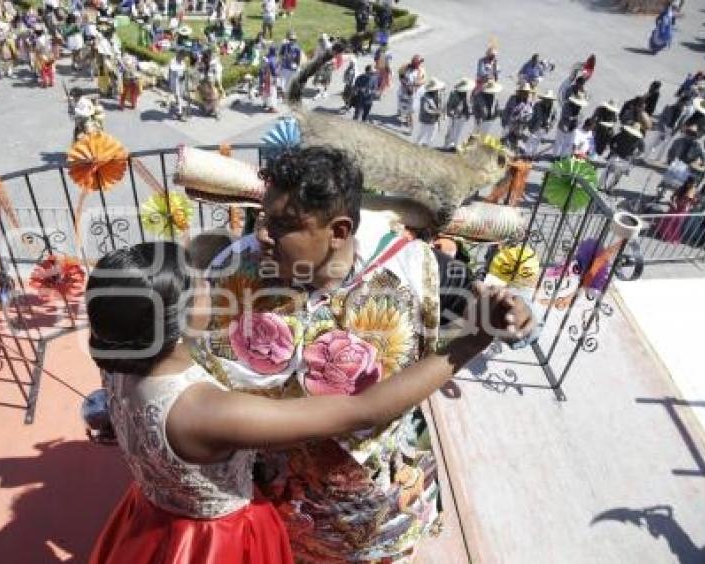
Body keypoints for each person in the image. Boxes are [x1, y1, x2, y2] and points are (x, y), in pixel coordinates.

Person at [86, 237, 523, 563]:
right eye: (199, 283)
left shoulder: (118, 361)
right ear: (178, 317)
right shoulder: (207, 412)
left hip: (148, 524)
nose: (210, 284)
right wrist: (467, 344)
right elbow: (360, 411)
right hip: (217, 542)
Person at [200, 146, 534, 562]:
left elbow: (493, 311)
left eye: (284, 224)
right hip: (269, 501)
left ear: (338, 231)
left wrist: (514, 315)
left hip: (371, 508)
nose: (263, 234)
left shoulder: (420, 272)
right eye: (264, 217)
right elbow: (197, 366)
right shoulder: (237, 264)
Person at [646, 96, 689, 161]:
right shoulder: (669, 107)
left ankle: (658, 159)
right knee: (654, 142)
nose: (683, 106)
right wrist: (662, 126)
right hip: (664, 127)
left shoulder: (684, 112)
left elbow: (681, 123)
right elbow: (662, 117)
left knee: (665, 146)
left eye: (685, 104)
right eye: (683, 103)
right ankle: (646, 156)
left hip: (672, 130)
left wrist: (676, 131)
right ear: (680, 101)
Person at [552, 92, 587, 157]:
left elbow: (581, 119)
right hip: (563, 126)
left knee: (568, 143)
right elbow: (565, 116)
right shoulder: (566, 106)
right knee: (559, 142)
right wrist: (574, 118)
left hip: (573, 128)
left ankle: (563, 156)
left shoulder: (580, 109)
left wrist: (577, 122)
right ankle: (555, 156)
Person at [501, 83, 534, 151]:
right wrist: (504, 122)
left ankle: (513, 151)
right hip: (509, 123)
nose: (525, 94)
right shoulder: (513, 98)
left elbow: (530, 114)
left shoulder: (529, 102)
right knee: (504, 139)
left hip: (520, 125)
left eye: (527, 92)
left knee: (516, 140)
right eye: (524, 92)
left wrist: (525, 118)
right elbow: (506, 110)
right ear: (520, 91)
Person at [526, 89, 558, 157]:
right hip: (535, 125)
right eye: (546, 99)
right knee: (531, 140)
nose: (547, 100)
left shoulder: (553, 108)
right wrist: (530, 125)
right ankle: (527, 154)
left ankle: (533, 154)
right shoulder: (537, 105)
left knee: (537, 141)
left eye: (549, 99)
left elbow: (554, 119)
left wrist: (550, 127)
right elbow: (532, 115)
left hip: (544, 127)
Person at [444, 77, 473, 149]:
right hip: (454, 116)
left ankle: (454, 145)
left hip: (462, 116)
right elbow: (449, 105)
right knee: (451, 131)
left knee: (458, 132)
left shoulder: (465, 94)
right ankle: (447, 145)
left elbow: (467, 105)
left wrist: (467, 114)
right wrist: (452, 113)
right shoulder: (453, 94)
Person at [397, 54, 425, 129]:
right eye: (419, 62)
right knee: (403, 104)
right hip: (405, 90)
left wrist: (416, 84)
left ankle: (407, 118)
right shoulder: (405, 67)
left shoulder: (421, 70)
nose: (420, 64)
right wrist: (406, 85)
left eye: (420, 62)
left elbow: (423, 80)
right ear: (414, 62)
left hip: (415, 92)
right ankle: (405, 116)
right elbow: (400, 77)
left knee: (412, 108)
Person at [416, 77, 445, 146]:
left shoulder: (437, 95)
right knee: (423, 132)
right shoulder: (425, 97)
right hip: (426, 118)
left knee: (432, 132)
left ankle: (426, 144)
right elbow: (427, 109)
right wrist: (437, 112)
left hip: (433, 119)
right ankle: (418, 144)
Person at [311, 33, 334, 100]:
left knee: (327, 79)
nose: (321, 41)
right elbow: (316, 55)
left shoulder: (330, 46)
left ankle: (325, 92)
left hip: (328, 64)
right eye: (321, 40)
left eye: (323, 40)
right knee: (317, 79)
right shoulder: (318, 46)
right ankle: (318, 92)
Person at [168, 51, 188, 119]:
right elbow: (171, 69)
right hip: (174, 81)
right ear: (179, 55)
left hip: (181, 81)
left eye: (183, 57)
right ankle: (180, 112)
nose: (183, 58)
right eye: (182, 57)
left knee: (180, 96)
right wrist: (169, 81)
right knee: (177, 95)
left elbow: (184, 71)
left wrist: (184, 76)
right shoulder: (173, 61)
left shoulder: (183, 62)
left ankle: (178, 109)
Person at [259, 46, 279, 113]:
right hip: (270, 78)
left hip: (264, 77)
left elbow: (261, 68)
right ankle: (272, 107)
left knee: (266, 91)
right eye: (276, 51)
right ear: (274, 51)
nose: (277, 52)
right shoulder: (272, 59)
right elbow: (274, 71)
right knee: (272, 92)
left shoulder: (266, 57)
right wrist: (276, 76)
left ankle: (265, 103)